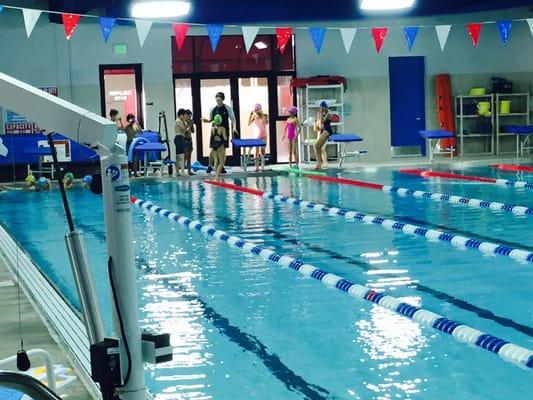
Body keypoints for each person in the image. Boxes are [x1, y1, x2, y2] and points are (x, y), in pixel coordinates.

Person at [202, 92, 237, 174]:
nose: (218, 102)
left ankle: (222, 167)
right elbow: (210, 119)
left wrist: (234, 128)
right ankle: (210, 166)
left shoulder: (227, 108)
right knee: (213, 149)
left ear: (222, 99)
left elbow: (233, 119)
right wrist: (205, 121)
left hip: (224, 130)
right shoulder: (213, 108)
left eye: (219, 100)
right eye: (216, 100)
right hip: (215, 130)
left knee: (223, 149)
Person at [248, 103, 269, 172]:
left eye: (258, 110)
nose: (257, 111)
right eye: (256, 110)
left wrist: (263, 116)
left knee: (262, 151)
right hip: (257, 136)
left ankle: (262, 167)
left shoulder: (265, 116)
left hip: (264, 135)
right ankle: (257, 167)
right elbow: (249, 124)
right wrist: (250, 115)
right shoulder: (254, 116)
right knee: (256, 152)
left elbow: (266, 123)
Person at [314, 101, 333, 170]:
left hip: (327, 131)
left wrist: (320, 115)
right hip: (324, 131)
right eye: (321, 108)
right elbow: (319, 125)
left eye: (322, 107)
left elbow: (322, 122)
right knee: (317, 146)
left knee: (316, 146)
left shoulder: (329, 113)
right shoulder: (323, 113)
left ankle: (320, 163)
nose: (321, 109)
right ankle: (319, 163)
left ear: (325, 107)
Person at [210, 114, 227, 179]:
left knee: (216, 160)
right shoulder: (222, 128)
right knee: (221, 161)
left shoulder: (212, 128)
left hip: (214, 145)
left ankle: (216, 174)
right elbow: (225, 138)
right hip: (220, 145)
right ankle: (217, 175)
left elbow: (212, 138)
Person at [174, 109, 189, 177]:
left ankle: (178, 171)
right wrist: (186, 123)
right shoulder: (179, 121)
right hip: (179, 138)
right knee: (181, 156)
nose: (185, 117)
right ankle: (181, 172)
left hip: (179, 138)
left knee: (178, 156)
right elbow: (183, 128)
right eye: (184, 115)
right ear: (181, 115)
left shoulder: (180, 121)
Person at [183, 109, 195, 175]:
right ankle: (182, 170)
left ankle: (189, 171)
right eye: (189, 116)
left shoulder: (190, 122)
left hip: (189, 140)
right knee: (185, 156)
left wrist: (192, 125)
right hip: (185, 140)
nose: (190, 117)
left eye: (190, 116)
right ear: (186, 115)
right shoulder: (183, 122)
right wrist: (190, 125)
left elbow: (193, 131)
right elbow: (185, 131)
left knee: (189, 156)